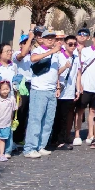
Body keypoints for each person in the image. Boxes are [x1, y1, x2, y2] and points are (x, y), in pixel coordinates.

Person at [23, 29, 62, 158]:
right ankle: (30, 148)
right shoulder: (39, 50)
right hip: (39, 89)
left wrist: (57, 86)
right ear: (43, 39)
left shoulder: (57, 54)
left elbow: (55, 71)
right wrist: (51, 51)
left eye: (52, 37)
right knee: (36, 119)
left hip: (51, 90)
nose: (50, 40)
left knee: (48, 120)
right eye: (47, 37)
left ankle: (41, 145)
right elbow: (33, 58)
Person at [73, 29, 95, 146]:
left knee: (92, 111)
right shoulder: (85, 50)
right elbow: (80, 67)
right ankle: (77, 134)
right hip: (85, 85)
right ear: (93, 39)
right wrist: (79, 84)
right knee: (80, 110)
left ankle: (90, 134)